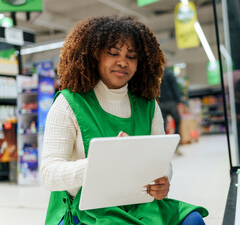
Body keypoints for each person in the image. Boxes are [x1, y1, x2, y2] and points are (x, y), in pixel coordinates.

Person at [40, 16, 208, 225]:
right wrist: (99, 164)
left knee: (193, 221)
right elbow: (48, 173)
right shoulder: (68, 103)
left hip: (138, 204)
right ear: (94, 56)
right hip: (86, 211)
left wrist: (163, 179)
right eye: (112, 53)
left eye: (132, 56)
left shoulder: (148, 105)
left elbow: (162, 162)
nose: (123, 62)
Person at [159, 65, 183, 154]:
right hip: (171, 103)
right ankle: (177, 147)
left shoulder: (156, 75)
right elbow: (175, 88)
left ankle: (164, 150)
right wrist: (179, 101)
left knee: (162, 127)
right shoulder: (169, 73)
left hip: (160, 103)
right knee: (177, 122)